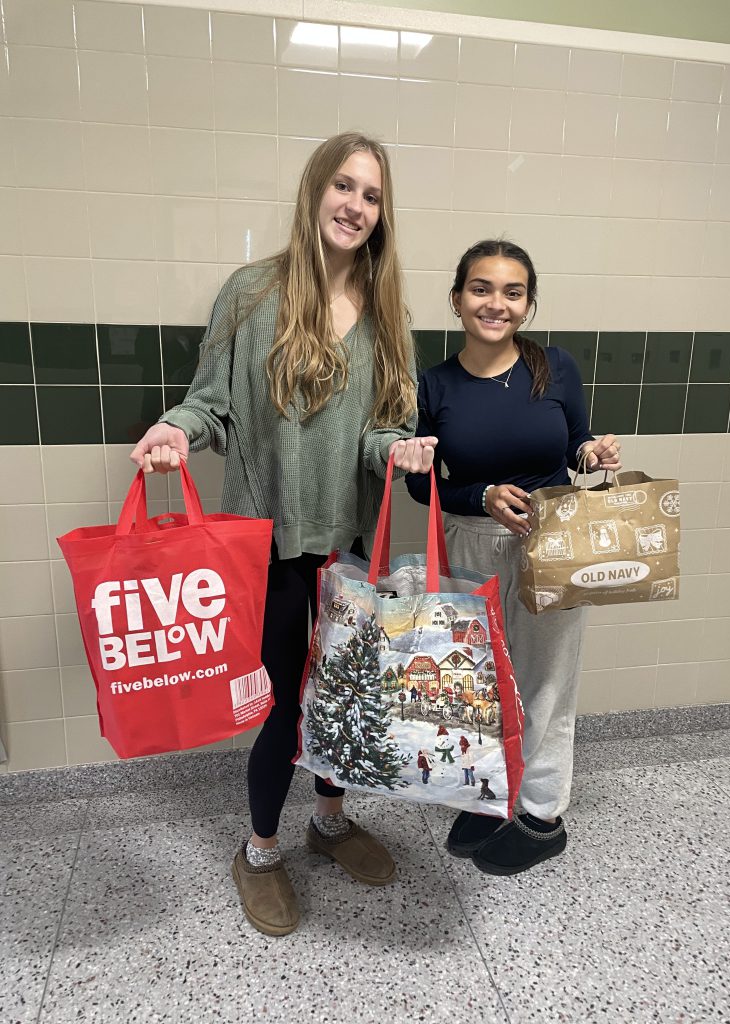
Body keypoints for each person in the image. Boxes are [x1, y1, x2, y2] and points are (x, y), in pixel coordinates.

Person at [130, 133, 437, 935]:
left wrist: (398, 449)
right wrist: (173, 430)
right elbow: (210, 404)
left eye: (372, 195)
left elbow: (381, 432)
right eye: (344, 185)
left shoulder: (387, 309)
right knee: (277, 706)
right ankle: (259, 851)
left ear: (383, 213)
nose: (356, 206)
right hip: (263, 543)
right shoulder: (250, 293)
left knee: (340, 697)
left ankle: (328, 823)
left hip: (345, 544)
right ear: (314, 190)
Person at [405, 239, 621, 876]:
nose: (495, 303)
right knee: (478, 683)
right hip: (468, 541)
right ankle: (493, 792)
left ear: (527, 304)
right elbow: (423, 481)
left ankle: (543, 813)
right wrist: (480, 494)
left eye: (512, 292)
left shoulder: (554, 366)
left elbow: (577, 439)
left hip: (550, 540)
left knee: (547, 679)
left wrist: (593, 454)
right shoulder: (434, 383)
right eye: (480, 289)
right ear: (456, 299)